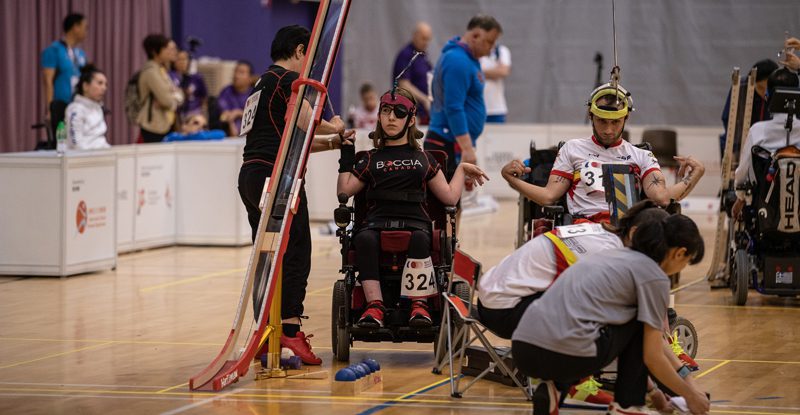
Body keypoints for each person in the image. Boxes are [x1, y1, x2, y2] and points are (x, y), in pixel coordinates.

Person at [477, 201, 687, 408]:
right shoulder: (611, 255)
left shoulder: (601, 232)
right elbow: (642, 336)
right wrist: (670, 386)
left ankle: (560, 384)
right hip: (508, 309)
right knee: (611, 318)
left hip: (493, 299)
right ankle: (579, 386)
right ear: (635, 233)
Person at [512, 214, 710, 415]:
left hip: (523, 350)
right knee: (639, 323)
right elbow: (653, 355)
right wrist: (690, 395)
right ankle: (627, 406)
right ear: (679, 253)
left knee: (582, 326)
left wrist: (657, 391)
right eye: (687, 261)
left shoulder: (611, 256)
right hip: (564, 354)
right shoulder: (654, 277)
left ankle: (556, 388)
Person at [238, 25, 353, 365]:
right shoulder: (289, 82)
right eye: (311, 56)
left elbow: (294, 140)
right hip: (276, 178)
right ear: (301, 51)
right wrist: (336, 126)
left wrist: (333, 143)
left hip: (253, 175)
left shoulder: (262, 83)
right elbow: (311, 120)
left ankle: (267, 331)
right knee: (297, 251)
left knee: (270, 255)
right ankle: (289, 329)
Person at [336, 87, 488, 328]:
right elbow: (344, 191)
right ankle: (374, 305)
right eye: (386, 111)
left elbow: (449, 198)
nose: (392, 117)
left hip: (416, 223)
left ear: (411, 119)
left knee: (419, 239)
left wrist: (461, 169)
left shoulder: (425, 158)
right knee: (364, 239)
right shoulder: (370, 159)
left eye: (399, 112)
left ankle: (420, 304)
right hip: (375, 224)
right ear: (380, 117)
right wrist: (346, 152)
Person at [501, 82, 705, 223]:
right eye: (602, 121)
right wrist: (510, 178)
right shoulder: (571, 149)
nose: (608, 130)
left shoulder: (642, 156)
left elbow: (661, 198)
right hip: (582, 226)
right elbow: (548, 197)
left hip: (625, 229)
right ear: (591, 116)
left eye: (615, 122)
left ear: (626, 119)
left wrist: (695, 176)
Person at [425, 15, 502, 184]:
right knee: (448, 206)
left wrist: (467, 147)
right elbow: (454, 107)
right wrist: (467, 149)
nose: (491, 49)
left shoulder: (468, 59)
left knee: (454, 205)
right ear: (475, 36)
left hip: (452, 142)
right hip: (446, 143)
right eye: (489, 41)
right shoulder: (458, 61)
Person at [732, 67, 800, 218]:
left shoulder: (758, 131)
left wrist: (740, 198)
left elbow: (743, 173)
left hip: (764, 212)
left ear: (768, 96)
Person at [719, 59, 779, 158]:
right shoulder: (740, 88)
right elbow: (728, 118)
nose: (764, 93)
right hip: (738, 144)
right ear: (752, 82)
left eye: (768, 89)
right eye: (760, 87)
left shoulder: (778, 93)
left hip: (767, 148)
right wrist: (735, 149)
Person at [41, 13, 88, 132]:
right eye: (84, 27)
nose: (86, 32)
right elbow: (48, 81)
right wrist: (50, 109)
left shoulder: (81, 54)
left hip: (78, 106)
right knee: (62, 141)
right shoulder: (54, 50)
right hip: (61, 105)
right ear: (75, 27)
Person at [137, 35, 184, 143]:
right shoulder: (151, 71)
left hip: (167, 123)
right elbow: (166, 101)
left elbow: (180, 94)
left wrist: (174, 98)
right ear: (154, 51)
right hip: (154, 126)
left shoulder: (161, 70)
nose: (170, 52)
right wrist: (173, 100)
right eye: (166, 49)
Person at [392, 22, 434, 124]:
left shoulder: (423, 55)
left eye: (428, 39)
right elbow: (403, 84)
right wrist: (424, 99)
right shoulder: (406, 55)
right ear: (415, 35)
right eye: (423, 38)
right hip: (411, 112)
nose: (426, 42)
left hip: (425, 111)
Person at [65, 64, 110, 150]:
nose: (104, 88)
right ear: (85, 86)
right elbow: (76, 144)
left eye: (105, 84)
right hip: (84, 159)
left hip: (101, 156)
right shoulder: (75, 110)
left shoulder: (98, 108)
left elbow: (101, 142)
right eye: (100, 83)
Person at [217, 60, 254, 135]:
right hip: (228, 135)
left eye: (241, 72)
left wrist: (239, 113)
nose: (236, 75)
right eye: (235, 71)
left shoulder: (254, 94)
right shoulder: (226, 92)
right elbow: (224, 115)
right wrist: (230, 118)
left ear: (250, 78)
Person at [169, 49, 208, 121]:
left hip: (195, 112)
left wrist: (204, 116)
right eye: (179, 59)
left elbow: (204, 97)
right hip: (178, 113)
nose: (182, 62)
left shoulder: (197, 77)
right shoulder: (170, 76)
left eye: (184, 59)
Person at [480, 44, 511, 123]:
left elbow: (503, 72)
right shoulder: (472, 51)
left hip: (496, 109)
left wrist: (479, 72)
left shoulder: (500, 51)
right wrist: (493, 72)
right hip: (475, 109)